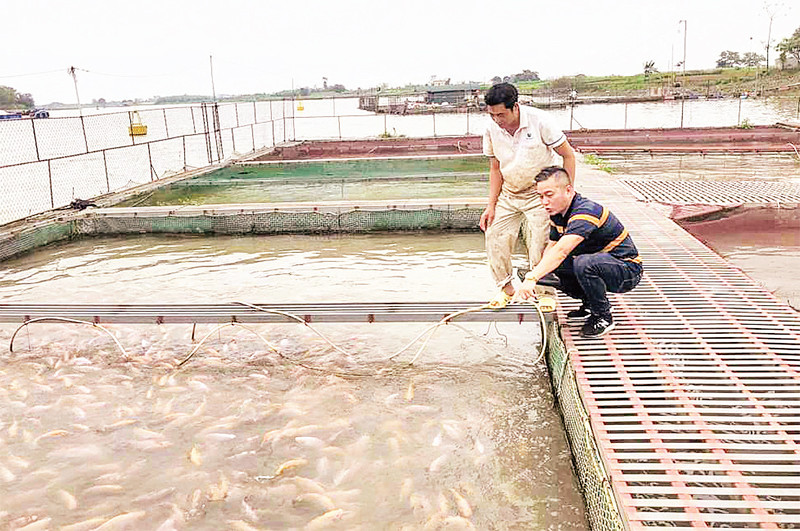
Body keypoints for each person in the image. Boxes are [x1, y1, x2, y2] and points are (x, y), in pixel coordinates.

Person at [516, 166, 643, 338]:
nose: (544, 202)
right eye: (541, 196)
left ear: (568, 190)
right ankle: (590, 304)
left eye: (549, 194)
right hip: (599, 263)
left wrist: (533, 278)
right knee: (549, 269)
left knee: (583, 263)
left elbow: (562, 250)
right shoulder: (557, 213)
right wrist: (536, 273)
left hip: (627, 270)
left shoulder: (585, 212)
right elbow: (553, 246)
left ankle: (603, 316)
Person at [480, 82, 576, 309]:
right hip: (510, 193)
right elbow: (495, 168)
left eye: (501, 114)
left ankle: (545, 292)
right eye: (492, 114)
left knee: (541, 242)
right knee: (495, 236)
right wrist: (491, 205)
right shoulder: (491, 128)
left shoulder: (540, 121)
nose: (497, 119)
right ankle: (506, 289)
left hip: (539, 194)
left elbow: (568, 156)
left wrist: (567, 193)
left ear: (516, 107)